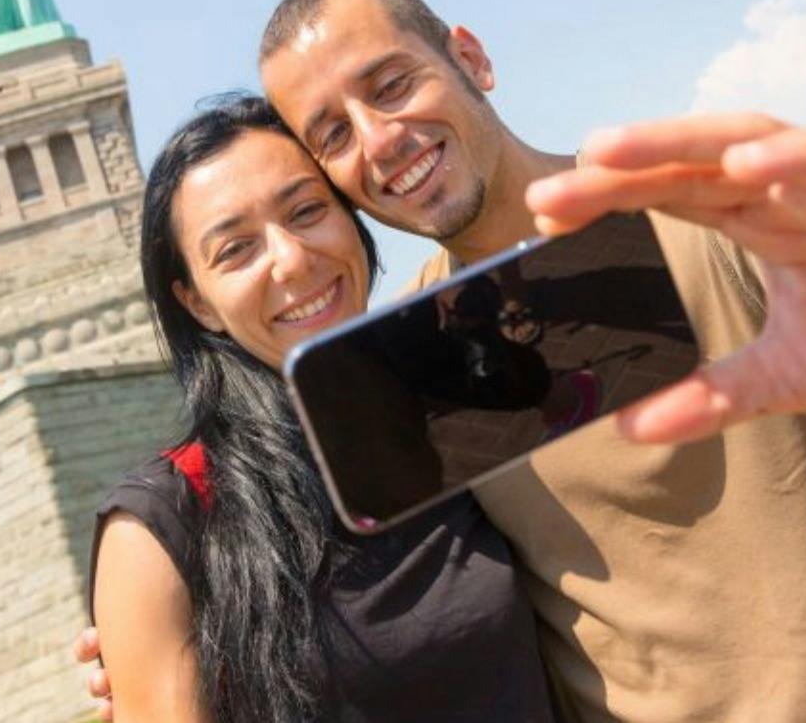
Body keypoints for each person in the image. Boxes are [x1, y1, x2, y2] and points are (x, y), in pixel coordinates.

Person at [81, 0, 806, 721]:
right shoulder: (408, 362)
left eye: (392, 83)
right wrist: (165, 645)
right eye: (333, 133)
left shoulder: (698, 214)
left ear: (468, 53)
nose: (380, 141)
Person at [89, 96, 562, 723]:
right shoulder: (169, 521)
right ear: (197, 303)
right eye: (235, 250)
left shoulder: (468, 400)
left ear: (353, 219)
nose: (291, 258)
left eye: (308, 211)